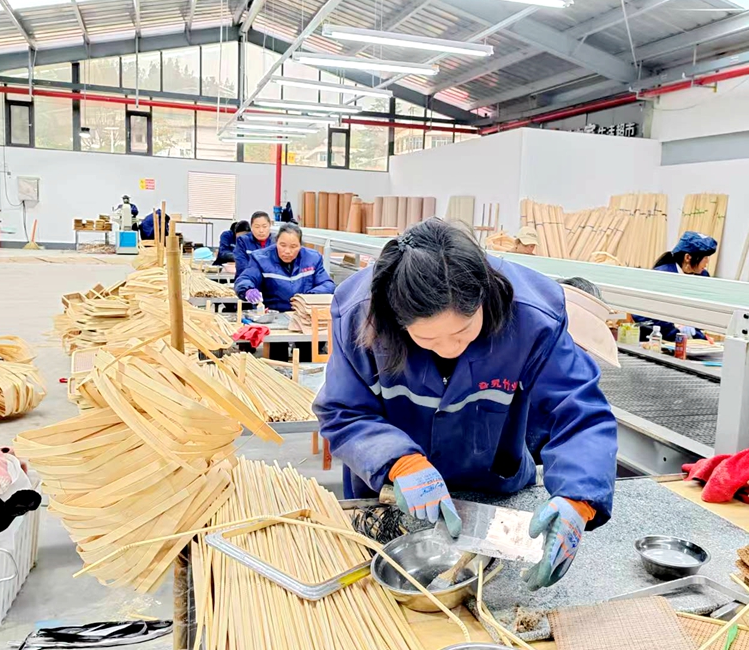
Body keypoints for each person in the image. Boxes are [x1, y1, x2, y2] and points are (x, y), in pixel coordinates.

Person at [314, 219, 618, 591]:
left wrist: (578, 497)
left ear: (484, 297)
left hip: (491, 490)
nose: (449, 348)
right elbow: (343, 411)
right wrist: (398, 462)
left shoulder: (532, 315)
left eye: (463, 331)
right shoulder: (361, 314)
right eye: (427, 338)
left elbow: (580, 412)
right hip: (392, 493)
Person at [632, 231, 717, 342]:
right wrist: (679, 331)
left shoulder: (702, 276)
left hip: (685, 338)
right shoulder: (663, 275)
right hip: (657, 337)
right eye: (704, 257)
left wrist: (697, 333)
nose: (707, 262)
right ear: (687, 257)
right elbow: (643, 313)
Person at [235, 223, 335, 312]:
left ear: (300, 245)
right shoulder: (261, 259)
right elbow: (245, 279)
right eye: (283, 245)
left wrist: (309, 297)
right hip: (272, 315)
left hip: (303, 315)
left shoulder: (312, 258)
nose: (287, 251)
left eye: (293, 246)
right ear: (276, 242)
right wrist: (248, 290)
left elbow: (327, 284)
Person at [234, 211, 276, 276]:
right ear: (251, 227)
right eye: (257, 227)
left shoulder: (277, 241)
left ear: (270, 225)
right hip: (247, 279)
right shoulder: (243, 241)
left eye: (264, 226)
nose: (261, 230)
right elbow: (242, 266)